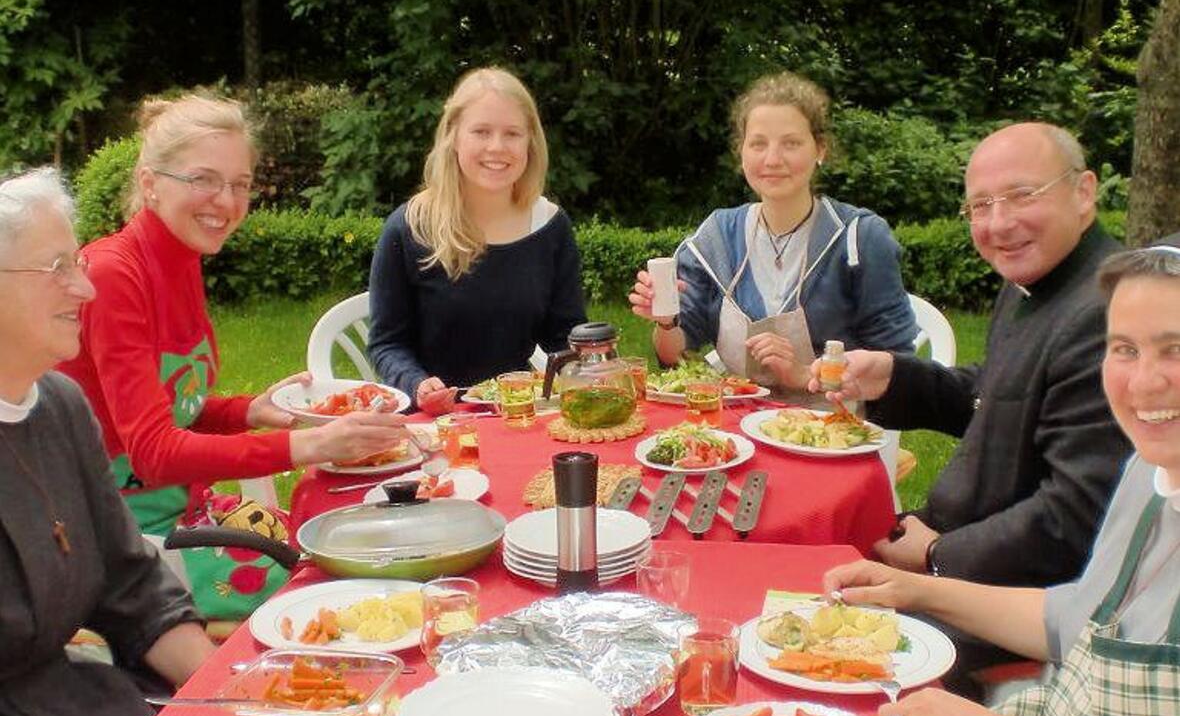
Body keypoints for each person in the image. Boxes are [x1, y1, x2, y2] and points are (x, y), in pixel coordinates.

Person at [823, 245, 1180, 716]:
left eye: (1174, 349)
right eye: (1124, 348)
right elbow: (1078, 620)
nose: (1145, 381)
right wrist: (921, 591)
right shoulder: (1151, 470)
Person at [60, 94, 409, 620]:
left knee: (351, 537)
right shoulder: (115, 275)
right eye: (203, 179)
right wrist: (308, 444)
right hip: (124, 542)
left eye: (240, 184)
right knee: (333, 590)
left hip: (184, 511)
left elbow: (169, 407)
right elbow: (152, 452)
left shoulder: (181, 259)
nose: (225, 200)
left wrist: (248, 411)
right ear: (150, 182)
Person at [0, 168, 216, 716]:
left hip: (74, 710)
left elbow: (131, 583)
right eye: (58, 268)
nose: (85, 290)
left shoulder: (56, 406)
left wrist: (223, 698)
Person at [816, 123, 1129, 595]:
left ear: (1083, 193)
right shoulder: (1035, 280)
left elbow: (1078, 515)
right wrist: (895, 378)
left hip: (1008, 594)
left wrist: (936, 554)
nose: (999, 223)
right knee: (802, 538)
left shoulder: (1107, 316)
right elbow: (1000, 395)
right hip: (958, 536)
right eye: (980, 206)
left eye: (1022, 195)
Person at [628, 72, 916, 392]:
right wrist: (666, 320)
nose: (773, 159)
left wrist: (804, 374)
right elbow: (675, 355)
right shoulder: (718, 237)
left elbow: (897, 366)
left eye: (791, 143)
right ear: (742, 152)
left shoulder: (859, 239)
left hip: (835, 428)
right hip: (737, 428)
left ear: (820, 149)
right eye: (758, 144)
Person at [367, 67, 586, 412]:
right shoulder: (409, 227)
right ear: (453, 137)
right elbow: (387, 343)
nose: (496, 147)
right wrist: (418, 384)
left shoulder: (550, 226)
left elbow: (566, 337)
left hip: (518, 413)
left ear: (531, 141)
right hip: (432, 421)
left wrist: (593, 366)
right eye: (481, 131)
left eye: (512, 133)